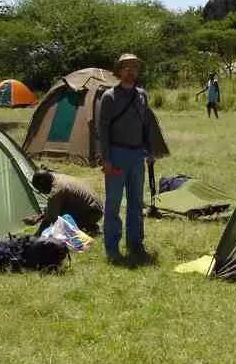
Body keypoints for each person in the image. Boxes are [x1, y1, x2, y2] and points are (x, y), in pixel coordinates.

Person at [98, 53, 155, 263]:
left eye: (134, 67)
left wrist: (150, 150)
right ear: (119, 71)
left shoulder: (142, 95)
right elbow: (102, 131)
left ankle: (135, 244)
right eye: (126, 67)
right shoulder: (109, 96)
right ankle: (112, 248)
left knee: (136, 202)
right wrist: (106, 159)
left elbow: (147, 125)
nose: (130, 71)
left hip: (137, 155)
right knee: (113, 203)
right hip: (116, 154)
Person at [24, 169, 103, 235]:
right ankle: (89, 226)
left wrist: (36, 236)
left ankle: (89, 226)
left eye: (40, 190)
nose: (41, 192)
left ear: (44, 185)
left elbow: (49, 219)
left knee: (59, 231)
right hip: (94, 206)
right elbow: (52, 208)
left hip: (92, 212)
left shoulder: (57, 191)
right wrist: (38, 218)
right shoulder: (55, 177)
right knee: (57, 211)